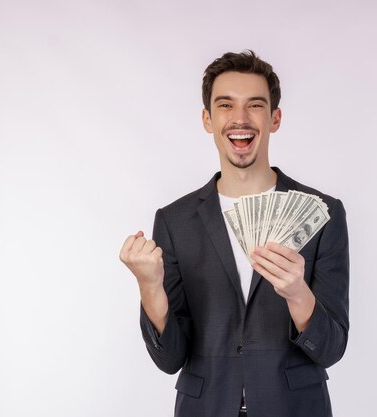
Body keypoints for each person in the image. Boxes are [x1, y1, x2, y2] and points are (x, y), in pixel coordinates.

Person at [119, 50, 349, 417]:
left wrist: (298, 295)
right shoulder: (174, 221)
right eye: (225, 105)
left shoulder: (325, 214)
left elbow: (332, 349)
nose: (240, 119)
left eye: (255, 105)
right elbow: (170, 358)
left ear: (275, 119)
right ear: (208, 119)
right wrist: (149, 288)